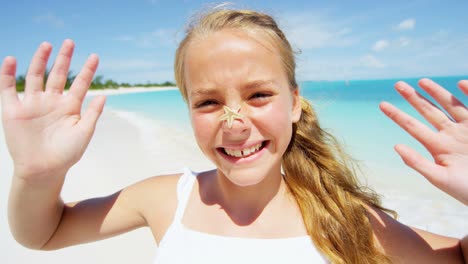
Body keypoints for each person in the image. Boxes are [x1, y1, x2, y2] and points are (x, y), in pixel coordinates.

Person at [1, 7, 467, 264]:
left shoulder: (345, 220)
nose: (234, 121)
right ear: (188, 110)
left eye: (259, 94)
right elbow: (43, 235)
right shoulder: (169, 199)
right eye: (207, 102)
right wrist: (38, 175)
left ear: (295, 101)